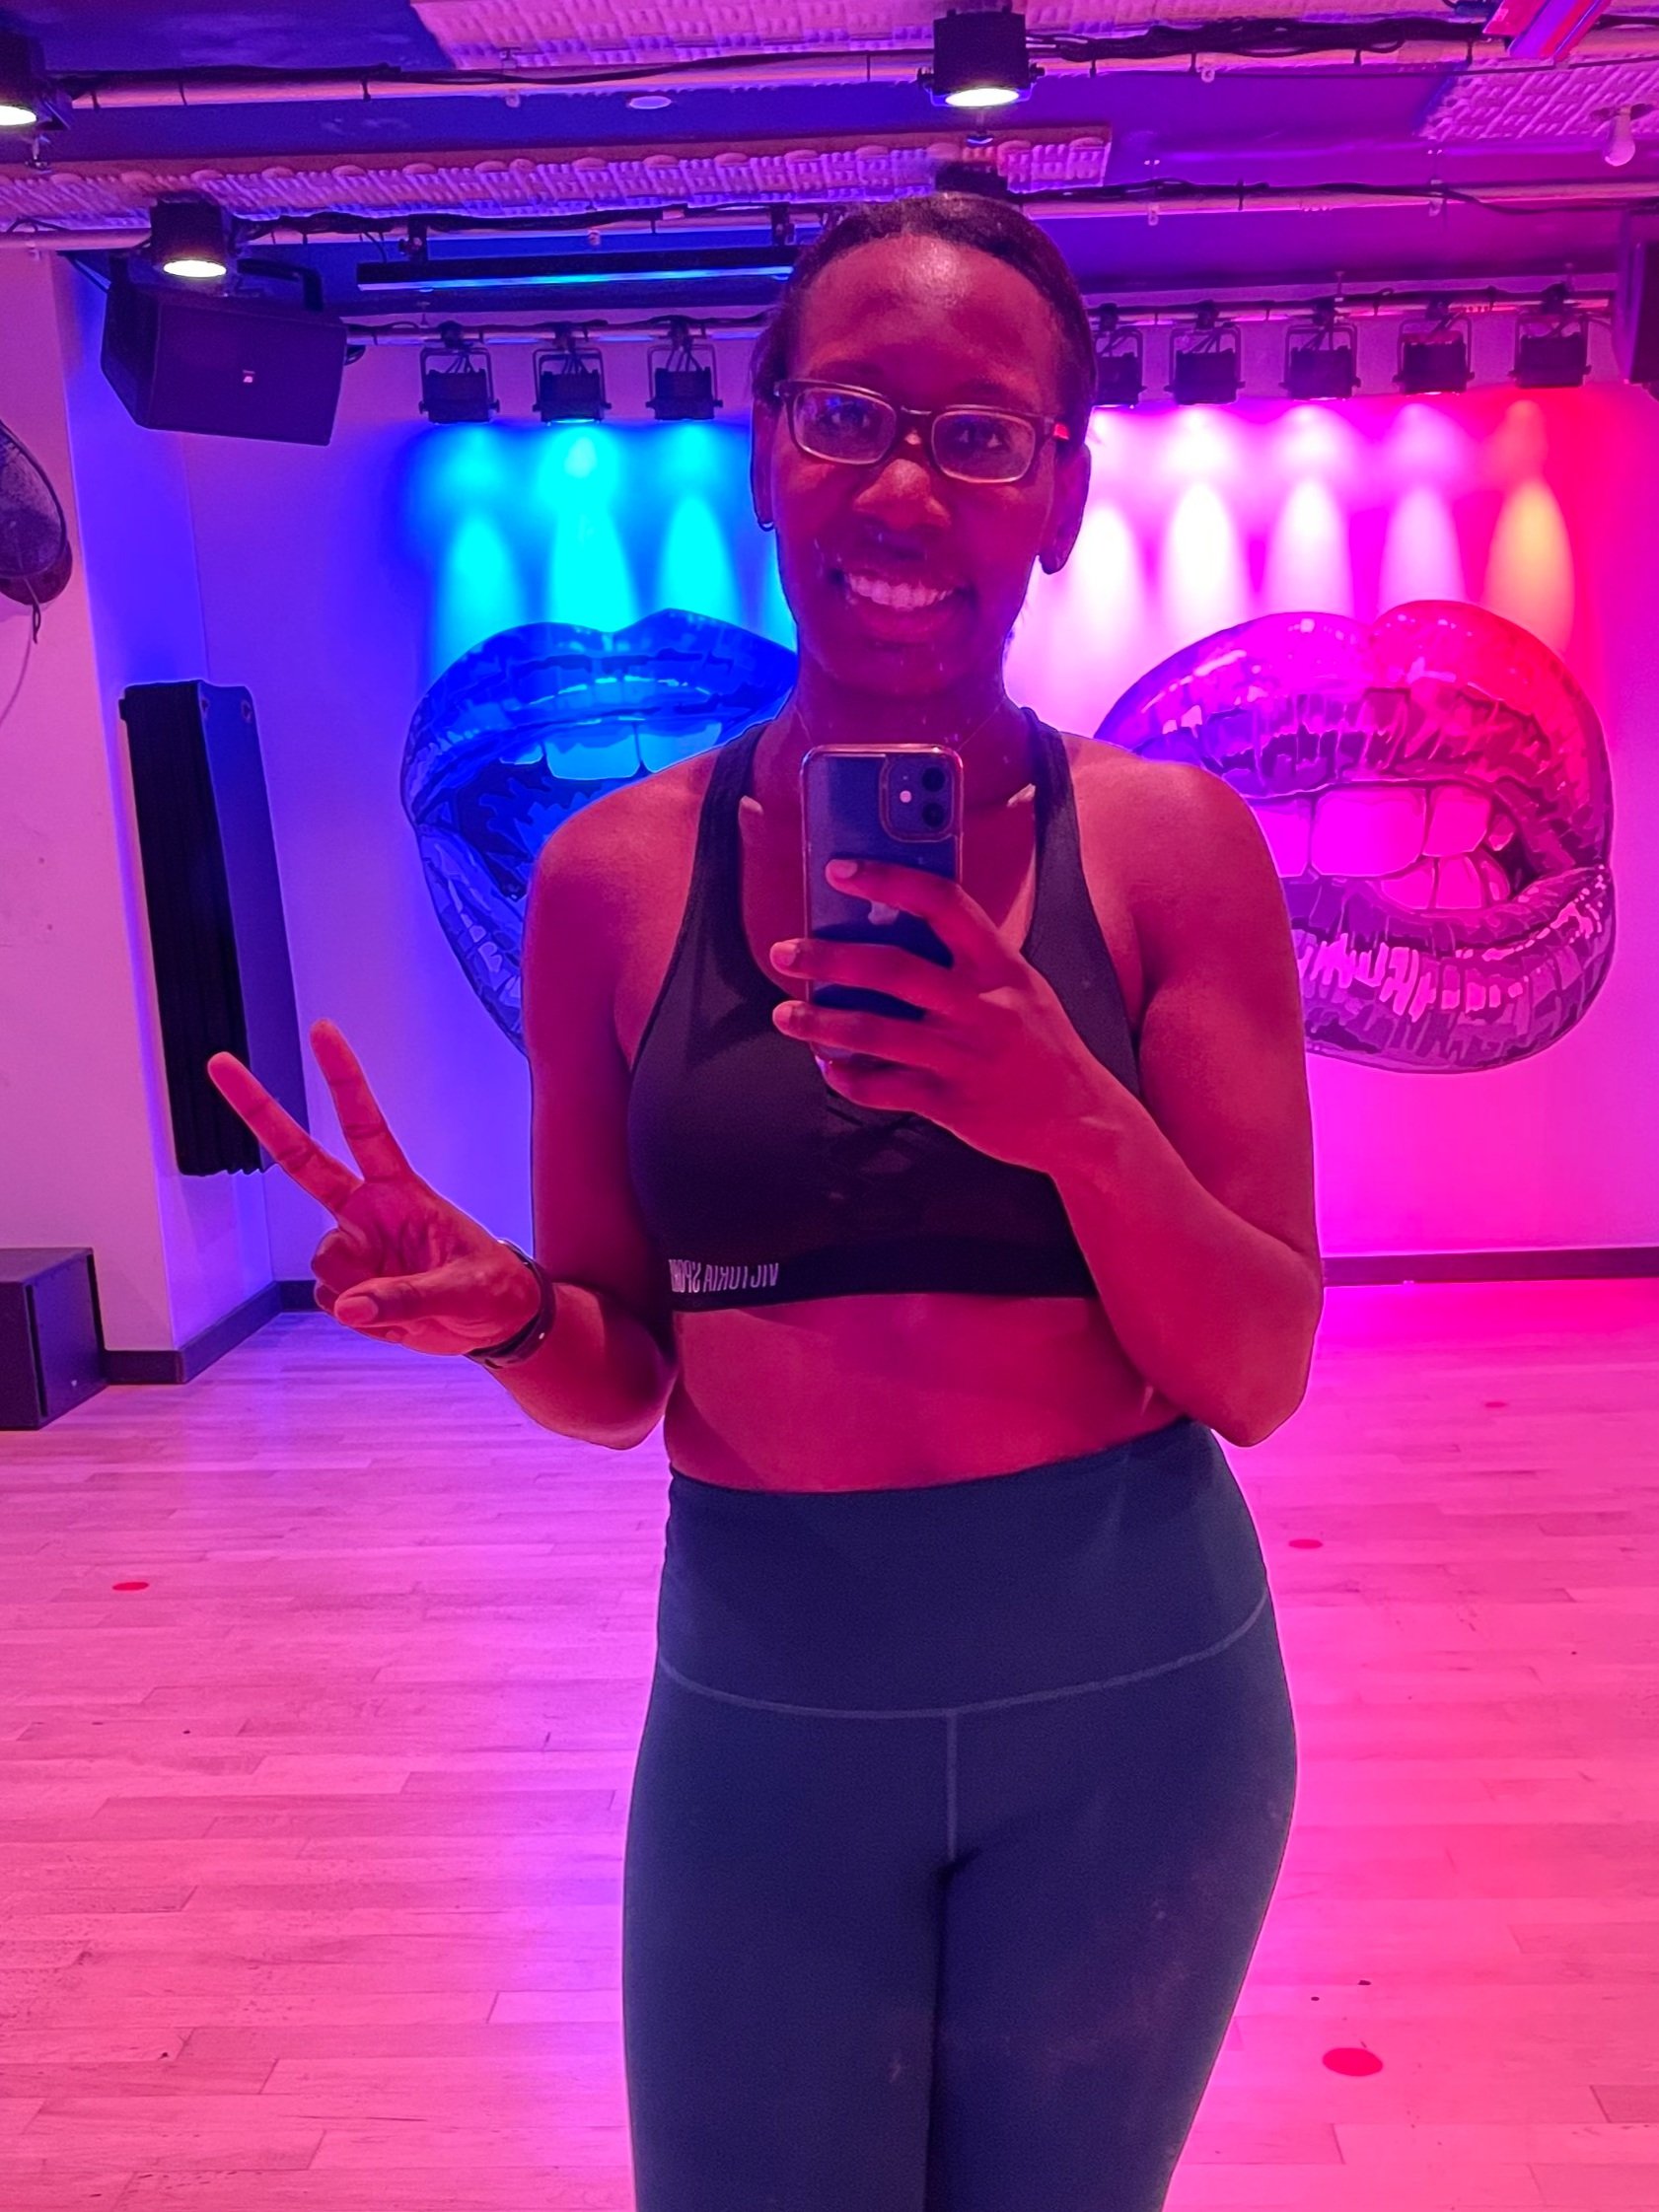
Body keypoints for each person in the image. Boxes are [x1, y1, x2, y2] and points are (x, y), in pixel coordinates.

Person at [208, 191, 1321, 2212]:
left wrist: (1064, 1112)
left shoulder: (1171, 854)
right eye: (848, 417)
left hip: (1136, 1710)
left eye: (977, 433)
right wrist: (506, 1315)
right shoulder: (612, 881)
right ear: (763, 449)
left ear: (1060, 496)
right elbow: (618, 1378)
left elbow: (1254, 1365)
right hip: (766, 1708)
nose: (904, 481)